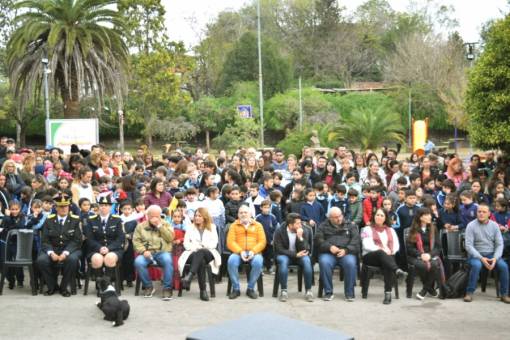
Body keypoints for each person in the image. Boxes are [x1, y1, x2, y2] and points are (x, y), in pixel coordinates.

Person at [36, 193, 82, 297]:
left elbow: (77, 240)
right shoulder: (49, 220)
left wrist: (65, 253)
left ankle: (64, 287)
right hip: (53, 249)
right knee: (41, 260)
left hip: (70, 249)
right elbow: (45, 240)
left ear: (69, 207)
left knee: (72, 259)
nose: (63, 209)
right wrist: (51, 253)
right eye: (61, 206)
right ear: (55, 207)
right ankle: (52, 286)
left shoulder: (75, 220)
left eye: (66, 206)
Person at [464, 203, 510, 303]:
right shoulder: (471, 225)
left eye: (484, 212)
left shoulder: (494, 226)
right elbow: (468, 246)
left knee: (504, 266)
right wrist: (481, 258)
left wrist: (495, 258)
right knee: (476, 265)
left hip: (491, 254)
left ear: (489, 214)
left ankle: (504, 294)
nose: (481, 214)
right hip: (476, 255)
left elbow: (499, 244)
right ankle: (469, 292)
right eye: (479, 211)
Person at [361, 208, 407, 304]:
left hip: (388, 256)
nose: (379, 217)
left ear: (385, 218)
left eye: (382, 215)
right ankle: (396, 270)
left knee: (387, 263)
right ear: (374, 216)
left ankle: (388, 294)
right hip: (370, 256)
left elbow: (396, 245)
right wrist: (382, 249)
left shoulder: (391, 230)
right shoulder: (367, 229)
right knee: (382, 254)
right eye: (377, 215)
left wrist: (391, 251)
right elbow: (366, 245)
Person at [315, 207, 360, 301]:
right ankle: (328, 292)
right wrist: (329, 247)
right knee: (324, 262)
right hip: (329, 253)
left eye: (340, 216)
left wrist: (346, 250)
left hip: (346, 252)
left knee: (351, 263)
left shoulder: (350, 225)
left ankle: (349, 293)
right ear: (330, 218)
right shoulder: (323, 226)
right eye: (335, 217)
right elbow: (318, 240)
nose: (339, 218)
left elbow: (356, 240)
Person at [133, 205, 175, 300]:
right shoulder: (140, 226)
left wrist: (160, 226)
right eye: (152, 216)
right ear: (147, 216)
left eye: (157, 216)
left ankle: (167, 288)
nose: (155, 219)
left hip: (163, 252)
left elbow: (170, 238)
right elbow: (136, 241)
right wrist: (143, 251)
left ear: (160, 215)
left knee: (168, 260)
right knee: (138, 262)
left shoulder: (166, 224)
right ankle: (148, 286)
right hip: (147, 252)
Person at [178, 208, 221, 301]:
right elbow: (186, 244)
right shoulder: (190, 227)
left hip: (208, 252)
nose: (196, 218)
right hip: (192, 252)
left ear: (205, 217)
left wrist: (203, 246)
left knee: (202, 252)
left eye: (199, 216)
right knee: (200, 260)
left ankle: (189, 276)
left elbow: (214, 243)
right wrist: (196, 248)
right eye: (195, 216)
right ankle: (203, 291)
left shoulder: (212, 227)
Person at [226, 204, 267, 299]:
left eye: (245, 212)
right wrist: (240, 251)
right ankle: (236, 289)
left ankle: (250, 288)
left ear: (250, 214)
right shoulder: (234, 225)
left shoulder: (258, 225)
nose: (243, 214)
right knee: (231, 261)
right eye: (241, 213)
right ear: (238, 215)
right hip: (238, 252)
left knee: (258, 262)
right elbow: (230, 242)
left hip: (254, 252)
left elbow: (262, 242)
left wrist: (253, 251)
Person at [406, 207, 445, 300]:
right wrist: (420, 255)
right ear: (420, 217)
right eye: (426, 215)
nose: (429, 217)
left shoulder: (433, 228)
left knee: (435, 264)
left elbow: (438, 247)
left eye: (430, 214)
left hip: (430, 255)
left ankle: (424, 290)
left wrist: (430, 255)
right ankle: (430, 289)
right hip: (416, 256)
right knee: (422, 265)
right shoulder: (413, 230)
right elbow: (409, 248)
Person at [273, 213, 314, 302]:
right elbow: (279, 249)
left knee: (307, 261)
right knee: (283, 262)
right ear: (290, 225)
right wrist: (294, 255)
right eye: (298, 223)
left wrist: (300, 238)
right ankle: (284, 290)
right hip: (285, 255)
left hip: (300, 256)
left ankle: (308, 290)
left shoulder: (304, 230)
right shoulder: (280, 231)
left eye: (300, 223)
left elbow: (306, 249)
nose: (300, 225)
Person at [84, 196, 125, 284]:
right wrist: (99, 248)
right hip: (96, 249)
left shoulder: (117, 220)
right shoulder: (91, 220)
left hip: (114, 249)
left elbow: (120, 238)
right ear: (98, 206)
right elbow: (90, 239)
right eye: (101, 205)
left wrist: (109, 248)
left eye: (106, 205)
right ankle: (100, 284)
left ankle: (107, 283)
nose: (103, 207)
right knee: (97, 259)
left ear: (110, 207)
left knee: (109, 258)